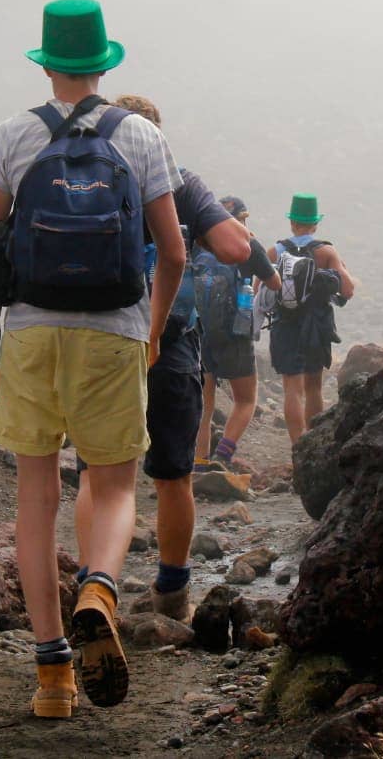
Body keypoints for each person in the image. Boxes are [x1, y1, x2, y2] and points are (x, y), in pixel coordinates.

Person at [0, 0, 185, 718]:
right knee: (117, 487)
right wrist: (149, 328)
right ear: (101, 63)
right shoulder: (143, 136)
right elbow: (175, 252)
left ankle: (54, 679)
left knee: (36, 502)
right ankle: (99, 588)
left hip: (29, 335)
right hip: (115, 331)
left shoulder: (13, 135)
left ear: (48, 62)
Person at [71, 97, 277, 623]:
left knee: (95, 473)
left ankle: (92, 585)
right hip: (168, 341)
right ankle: (171, 593)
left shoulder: (78, 179)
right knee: (174, 476)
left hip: (95, 341)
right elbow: (236, 246)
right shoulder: (179, 181)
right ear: (157, 136)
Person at [267, 193, 356, 443]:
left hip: (284, 324)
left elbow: (260, 290)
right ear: (315, 224)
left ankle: (297, 445)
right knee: (313, 385)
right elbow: (348, 290)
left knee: (291, 389)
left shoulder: (275, 251)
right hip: (316, 326)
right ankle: (313, 443)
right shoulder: (326, 251)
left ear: (292, 223)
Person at [196, 196, 263, 473]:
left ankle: (198, 462)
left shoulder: (197, 245)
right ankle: (223, 455)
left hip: (200, 333)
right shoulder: (248, 245)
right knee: (246, 399)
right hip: (235, 333)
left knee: (204, 402)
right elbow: (274, 282)